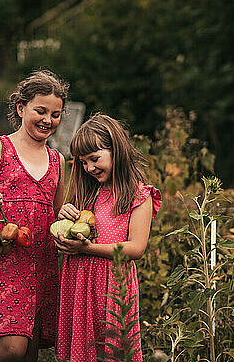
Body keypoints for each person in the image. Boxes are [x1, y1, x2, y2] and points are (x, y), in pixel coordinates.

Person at [0, 70, 69, 362]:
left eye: (56, 114)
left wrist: (70, 221)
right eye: (41, 111)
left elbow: (57, 215)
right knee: (12, 347)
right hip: (3, 259)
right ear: (21, 108)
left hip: (41, 261)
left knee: (30, 350)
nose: (48, 120)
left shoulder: (58, 160)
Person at [55, 113, 162, 362]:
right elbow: (68, 239)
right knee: (84, 349)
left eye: (94, 159)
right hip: (81, 280)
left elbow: (136, 249)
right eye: (83, 162)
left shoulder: (139, 195)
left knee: (112, 348)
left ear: (116, 150)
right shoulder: (87, 192)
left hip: (113, 284)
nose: (89, 168)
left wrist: (87, 249)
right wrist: (63, 219)